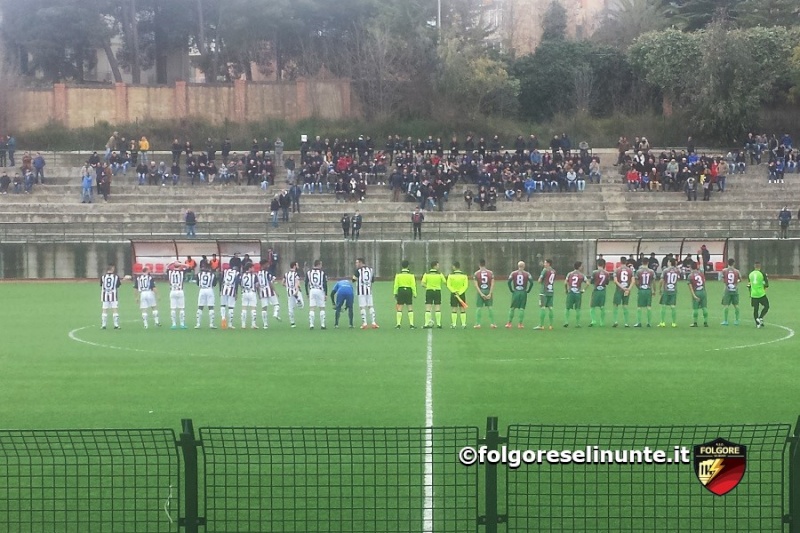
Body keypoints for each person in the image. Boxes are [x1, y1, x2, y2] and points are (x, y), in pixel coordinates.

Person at [506, 261, 533, 328]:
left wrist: (511, 289)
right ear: (524, 266)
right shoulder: (527, 274)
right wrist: (528, 290)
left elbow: (509, 282)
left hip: (516, 291)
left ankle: (509, 323)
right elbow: (531, 282)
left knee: (512, 308)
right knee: (522, 308)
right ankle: (520, 324)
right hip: (523, 292)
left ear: (518, 266)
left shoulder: (513, 273)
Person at [354, 258, 378, 329]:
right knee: (370, 306)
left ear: (361, 262)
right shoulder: (370, 270)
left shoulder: (358, 270)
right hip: (369, 290)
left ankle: (364, 323)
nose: (356, 264)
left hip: (361, 291)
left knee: (362, 307)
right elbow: (373, 280)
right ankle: (373, 322)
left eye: (357, 262)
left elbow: (353, 279)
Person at [421, 261, 447, 329]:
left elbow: (422, 284)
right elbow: (445, 282)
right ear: (435, 266)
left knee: (428, 308)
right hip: (437, 291)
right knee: (437, 307)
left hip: (429, 291)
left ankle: (426, 324)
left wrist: (428, 286)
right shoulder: (440, 274)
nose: (439, 266)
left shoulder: (426, 274)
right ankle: (438, 324)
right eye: (438, 265)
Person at [257, 259, 281, 328]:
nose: (268, 265)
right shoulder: (267, 273)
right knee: (276, 304)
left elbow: (258, 285)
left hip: (262, 292)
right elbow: (270, 283)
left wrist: (259, 293)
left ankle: (265, 324)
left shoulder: (258, 274)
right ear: (264, 265)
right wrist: (275, 291)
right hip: (269, 291)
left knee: (264, 308)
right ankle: (275, 314)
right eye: (267, 264)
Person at [393, 259, 417, 328]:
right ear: (408, 266)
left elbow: (396, 285)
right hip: (408, 291)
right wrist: (415, 293)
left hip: (401, 290)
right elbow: (413, 285)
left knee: (400, 307)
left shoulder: (398, 275)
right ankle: (411, 324)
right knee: (410, 307)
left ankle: (398, 324)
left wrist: (395, 293)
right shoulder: (411, 276)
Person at [473, 259, 496, 329]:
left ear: (479, 264)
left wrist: (481, 294)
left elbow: (476, 285)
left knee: (479, 308)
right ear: (485, 264)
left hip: (481, 291)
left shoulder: (476, 273)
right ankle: (492, 323)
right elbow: (492, 283)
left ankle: (478, 324)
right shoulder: (490, 273)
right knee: (490, 307)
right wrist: (490, 293)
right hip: (488, 290)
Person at [534, 259, 557, 330]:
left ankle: (541, 325)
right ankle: (550, 325)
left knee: (543, 307)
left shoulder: (545, 270)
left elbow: (539, 280)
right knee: (550, 308)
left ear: (548, 263)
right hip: (551, 290)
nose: (544, 264)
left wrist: (542, 282)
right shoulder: (554, 271)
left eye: (545, 263)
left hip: (544, 291)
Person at [306, 259, 328, 329]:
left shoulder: (309, 272)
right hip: (320, 290)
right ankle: (322, 325)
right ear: (318, 265)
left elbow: (306, 283)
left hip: (312, 290)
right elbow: (325, 283)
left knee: (312, 308)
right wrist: (326, 294)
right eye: (321, 264)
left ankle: (311, 325)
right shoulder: (322, 273)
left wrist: (307, 293)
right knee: (322, 308)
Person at [633, 261, 657, 327]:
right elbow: (654, 282)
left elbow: (636, 281)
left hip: (641, 290)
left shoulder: (638, 271)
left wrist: (639, 288)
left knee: (639, 307)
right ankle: (649, 323)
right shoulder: (651, 271)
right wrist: (654, 290)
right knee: (649, 306)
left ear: (642, 263)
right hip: (648, 290)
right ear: (648, 263)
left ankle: (639, 322)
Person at [563, 261, 587, 328]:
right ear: (579, 267)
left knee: (567, 308)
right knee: (578, 309)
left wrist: (566, 290)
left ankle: (566, 321)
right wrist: (583, 290)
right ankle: (578, 323)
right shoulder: (582, 275)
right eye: (581, 266)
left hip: (570, 292)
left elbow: (565, 283)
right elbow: (587, 283)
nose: (582, 267)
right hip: (578, 293)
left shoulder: (570, 274)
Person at [612, 257, 634, 327]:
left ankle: (615, 321)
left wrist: (622, 288)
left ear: (620, 261)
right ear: (626, 262)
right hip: (627, 290)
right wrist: (628, 289)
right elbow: (633, 281)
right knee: (625, 306)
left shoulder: (617, 270)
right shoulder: (630, 270)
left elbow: (615, 281)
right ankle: (626, 323)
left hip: (619, 290)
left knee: (615, 305)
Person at [589, 259, 611, 327]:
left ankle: (593, 320)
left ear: (597, 264)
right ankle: (602, 322)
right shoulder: (607, 273)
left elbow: (591, 281)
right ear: (604, 265)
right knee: (602, 306)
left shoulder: (594, 272)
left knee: (592, 306)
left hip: (596, 291)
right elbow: (607, 283)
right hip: (603, 291)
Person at [658, 258, 680, 328]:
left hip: (666, 290)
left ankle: (662, 322)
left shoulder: (665, 270)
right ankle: (673, 323)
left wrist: (660, 289)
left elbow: (661, 280)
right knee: (673, 306)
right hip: (673, 290)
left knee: (663, 305)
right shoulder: (677, 270)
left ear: (670, 262)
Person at [447, 262, 469, 328]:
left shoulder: (450, 275)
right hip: (461, 294)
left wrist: (454, 291)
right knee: (462, 309)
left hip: (454, 294)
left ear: (454, 267)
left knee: (454, 308)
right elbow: (466, 285)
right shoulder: (464, 275)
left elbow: (448, 285)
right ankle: (463, 324)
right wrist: (460, 292)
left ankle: (454, 324)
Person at [166, 261, 188, 329]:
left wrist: (173, 262)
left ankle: (174, 324)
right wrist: (180, 264)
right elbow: (187, 266)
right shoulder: (182, 271)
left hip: (172, 291)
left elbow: (167, 266)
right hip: (180, 291)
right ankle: (182, 324)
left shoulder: (170, 272)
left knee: (173, 308)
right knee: (181, 308)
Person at [720, 258, 742, 326]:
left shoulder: (724, 270)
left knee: (726, 305)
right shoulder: (737, 271)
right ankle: (737, 320)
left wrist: (728, 284)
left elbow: (722, 279)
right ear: (733, 263)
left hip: (727, 290)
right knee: (736, 305)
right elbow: (740, 279)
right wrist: (735, 283)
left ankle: (726, 321)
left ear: (728, 263)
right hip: (735, 289)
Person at [195, 263, 217, 329]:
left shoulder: (199, 274)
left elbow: (197, 283)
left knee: (200, 307)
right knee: (211, 307)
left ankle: (198, 324)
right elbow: (214, 283)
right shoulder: (212, 275)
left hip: (202, 290)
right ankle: (211, 324)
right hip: (209, 290)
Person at [748, 261, 770, 328]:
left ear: (754, 266)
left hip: (753, 294)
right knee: (766, 306)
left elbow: (749, 285)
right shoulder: (762, 274)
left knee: (755, 309)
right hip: (761, 294)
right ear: (760, 266)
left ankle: (757, 323)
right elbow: (766, 284)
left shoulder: (750, 274)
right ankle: (760, 317)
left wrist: (750, 293)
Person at [100, 264, 122, 330]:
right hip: (113, 295)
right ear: (112, 269)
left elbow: (101, 285)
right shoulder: (116, 277)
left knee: (104, 310)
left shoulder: (103, 277)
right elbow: (118, 285)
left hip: (105, 295)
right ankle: (116, 325)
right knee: (115, 309)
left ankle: (103, 325)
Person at [688, 262, 708, 327]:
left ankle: (695, 322)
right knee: (704, 307)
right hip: (703, 291)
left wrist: (694, 295)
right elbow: (704, 283)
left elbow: (690, 287)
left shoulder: (690, 276)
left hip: (696, 292)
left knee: (695, 308)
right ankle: (705, 322)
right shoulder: (701, 274)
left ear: (691, 267)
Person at [239, 263, 259, 329]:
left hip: (244, 292)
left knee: (244, 308)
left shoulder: (242, 275)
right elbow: (257, 285)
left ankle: (243, 324)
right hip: (252, 292)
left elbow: (240, 283)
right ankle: (253, 324)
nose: (253, 269)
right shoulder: (254, 275)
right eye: (252, 268)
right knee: (253, 308)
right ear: (249, 268)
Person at [284, 261, 304, 328]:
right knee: (302, 306)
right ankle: (298, 300)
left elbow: (282, 283)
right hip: (296, 291)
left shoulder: (286, 274)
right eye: (297, 265)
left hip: (289, 292)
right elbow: (297, 283)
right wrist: (297, 290)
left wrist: (288, 286)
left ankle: (292, 323)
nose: (298, 266)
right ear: (294, 266)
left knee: (290, 307)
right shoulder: (296, 274)